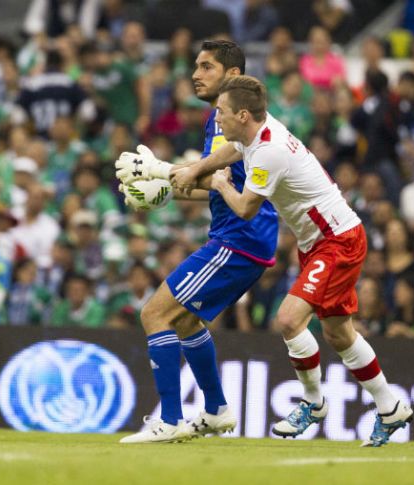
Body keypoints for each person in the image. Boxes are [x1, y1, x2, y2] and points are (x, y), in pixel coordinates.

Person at [165, 75, 413, 447]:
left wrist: (218, 184)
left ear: (243, 115)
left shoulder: (269, 151)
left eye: (222, 112)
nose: (217, 119)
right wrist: (196, 170)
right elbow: (231, 151)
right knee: (338, 334)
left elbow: (246, 208)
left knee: (288, 319)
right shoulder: (258, 133)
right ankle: (390, 407)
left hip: (337, 240)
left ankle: (313, 404)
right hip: (319, 241)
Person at [114, 41, 280, 443]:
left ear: (233, 75)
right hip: (245, 238)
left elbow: (211, 177)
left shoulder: (233, 122)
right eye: (195, 66)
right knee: (187, 320)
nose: (195, 74)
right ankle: (217, 410)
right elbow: (215, 185)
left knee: (155, 314)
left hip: (239, 238)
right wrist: (167, 189)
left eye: (206, 66)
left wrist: (159, 172)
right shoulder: (219, 120)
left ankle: (169, 419)